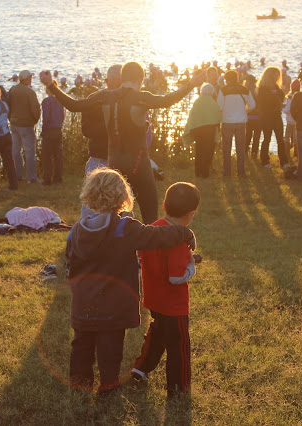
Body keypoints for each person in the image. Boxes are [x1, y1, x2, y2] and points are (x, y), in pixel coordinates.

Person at [66, 168, 196, 395]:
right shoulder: (125, 228)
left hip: (83, 304)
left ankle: (79, 385)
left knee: (81, 346)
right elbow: (156, 236)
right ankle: (108, 388)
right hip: (113, 307)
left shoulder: (78, 229)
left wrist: (78, 288)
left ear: (89, 195)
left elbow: (71, 262)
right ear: (122, 198)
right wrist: (184, 233)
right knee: (110, 349)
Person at [40, 62, 206, 225]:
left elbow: (74, 105)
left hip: (115, 165)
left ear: (123, 77)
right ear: (140, 79)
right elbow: (167, 100)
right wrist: (191, 84)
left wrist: (51, 85)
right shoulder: (141, 97)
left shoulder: (105, 97)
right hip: (139, 164)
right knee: (149, 214)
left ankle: (111, 239)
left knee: (112, 215)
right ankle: (150, 241)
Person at [131, 182, 200, 398]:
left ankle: (140, 368)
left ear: (164, 205)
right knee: (179, 346)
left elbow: (141, 254)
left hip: (154, 298)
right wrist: (191, 267)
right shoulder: (179, 241)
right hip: (174, 306)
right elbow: (176, 277)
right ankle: (179, 387)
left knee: (158, 334)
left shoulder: (153, 229)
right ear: (191, 214)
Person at [78, 65, 122, 218]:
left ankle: (120, 227)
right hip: (100, 156)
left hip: (120, 157)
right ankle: (88, 226)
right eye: (115, 82)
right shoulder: (94, 100)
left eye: (120, 82)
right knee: (93, 198)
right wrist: (109, 124)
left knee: (120, 199)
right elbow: (86, 129)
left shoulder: (127, 100)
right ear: (107, 81)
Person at [217, 70, 256, 177]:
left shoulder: (223, 90)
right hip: (241, 122)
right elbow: (253, 105)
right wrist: (245, 111)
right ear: (237, 78)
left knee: (226, 148)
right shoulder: (245, 89)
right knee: (240, 148)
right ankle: (241, 172)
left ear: (226, 79)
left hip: (227, 122)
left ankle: (227, 172)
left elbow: (219, 106)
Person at [182, 83, 221, 178]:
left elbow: (192, 116)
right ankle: (205, 173)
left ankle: (197, 172)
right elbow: (218, 117)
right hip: (210, 130)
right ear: (212, 92)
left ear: (201, 91)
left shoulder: (197, 102)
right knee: (208, 151)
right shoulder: (213, 103)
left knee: (199, 151)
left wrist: (191, 128)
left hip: (198, 130)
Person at [8, 70, 41, 182]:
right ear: (27, 79)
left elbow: (8, 105)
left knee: (15, 151)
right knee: (30, 152)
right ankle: (31, 177)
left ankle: (18, 175)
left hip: (14, 124)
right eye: (30, 77)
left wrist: (10, 118)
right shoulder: (29, 92)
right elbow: (35, 109)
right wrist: (35, 121)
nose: (31, 79)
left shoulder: (12, 90)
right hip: (26, 125)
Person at [257, 67, 288, 169]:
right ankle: (265, 160)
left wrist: (280, 93)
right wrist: (273, 94)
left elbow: (281, 98)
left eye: (278, 75)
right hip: (267, 116)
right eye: (275, 75)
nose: (277, 77)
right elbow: (262, 102)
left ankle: (284, 161)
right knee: (267, 138)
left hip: (277, 115)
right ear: (270, 75)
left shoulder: (276, 86)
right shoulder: (262, 88)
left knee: (280, 139)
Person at [40, 81, 65, 185]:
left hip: (49, 130)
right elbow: (62, 116)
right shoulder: (60, 101)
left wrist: (43, 131)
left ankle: (47, 178)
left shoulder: (46, 101)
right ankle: (58, 177)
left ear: (48, 89)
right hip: (58, 130)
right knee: (58, 155)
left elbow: (46, 117)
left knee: (47, 155)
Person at [283, 79, 301, 158]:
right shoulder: (300, 97)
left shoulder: (289, 97)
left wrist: (282, 109)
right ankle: (296, 153)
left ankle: (286, 153)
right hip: (297, 121)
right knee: (296, 138)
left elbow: (287, 110)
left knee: (287, 137)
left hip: (290, 121)